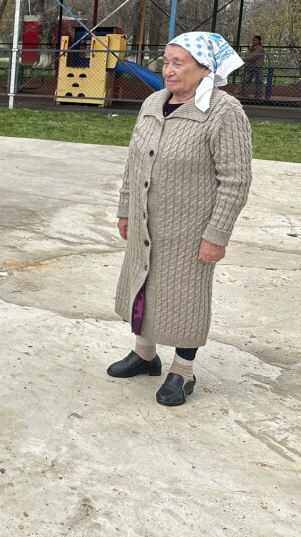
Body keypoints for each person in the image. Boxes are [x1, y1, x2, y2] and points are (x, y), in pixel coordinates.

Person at [108, 31, 252, 407]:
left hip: (190, 230)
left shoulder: (224, 112)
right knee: (143, 286)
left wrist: (217, 234)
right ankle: (145, 355)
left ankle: (183, 371)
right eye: (166, 62)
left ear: (205, 69)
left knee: (186, 298)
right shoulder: (153, 102)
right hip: (146, 221)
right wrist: (125, 209)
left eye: (178, 63)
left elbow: (236, 180)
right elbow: (133, 162)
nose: (168, 71)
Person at [241, 34, 265, 100]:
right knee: (246, 80)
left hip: (257, 66)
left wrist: (242, 59)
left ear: (259, 41)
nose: (254, 41)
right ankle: (239, 92)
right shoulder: (251, 48)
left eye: (256, 40)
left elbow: (252, 57)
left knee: (258, 81)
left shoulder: (260, 49)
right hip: (250, 66)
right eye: (253, 40)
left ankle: (259, 95)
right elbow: (248, 56)